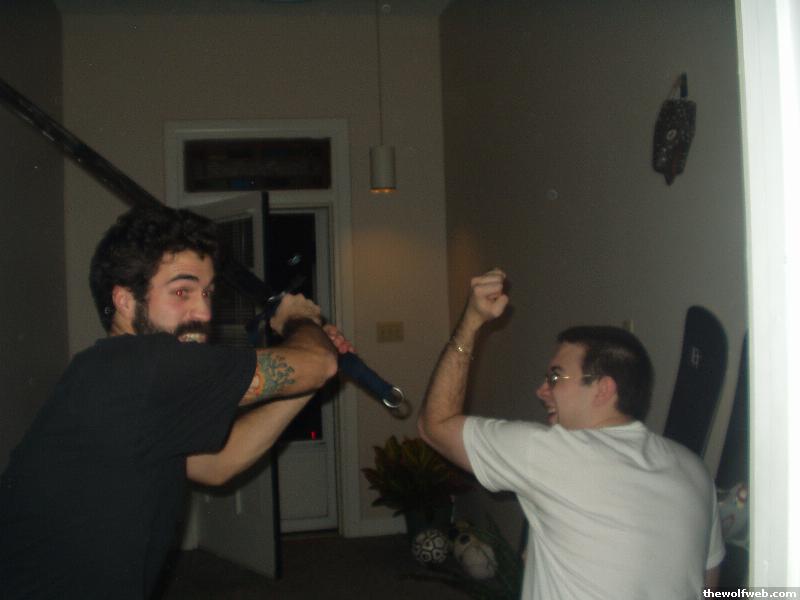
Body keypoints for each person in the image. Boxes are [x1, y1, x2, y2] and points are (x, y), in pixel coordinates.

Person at [0, 206, 353, 599]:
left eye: (208, 292)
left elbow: (217, 465)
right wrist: (299, 321)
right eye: (182, 291)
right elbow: (316, 362)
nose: (204, 311)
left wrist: (305, 381)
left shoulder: (118, 379)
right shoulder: (144, 367)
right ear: (125, 301)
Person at [418, 269, 725, 600]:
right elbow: (709, 583)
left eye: (555, 377)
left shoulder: (551, 452)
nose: (541, 390)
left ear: (603, 389)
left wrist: (471, 321)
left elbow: (436, 425)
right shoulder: (695, 470)